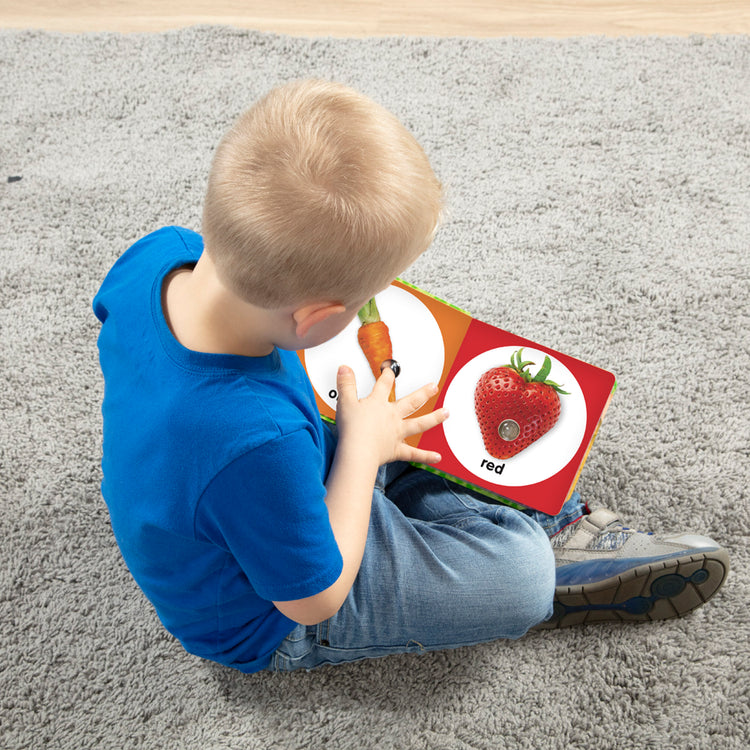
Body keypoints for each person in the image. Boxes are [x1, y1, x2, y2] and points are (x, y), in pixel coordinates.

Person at [93, 79, 729, 674]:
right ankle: (538, 538)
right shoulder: (251, 439)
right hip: (274, 612)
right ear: (317, 317)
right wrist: (363, 455)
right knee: (520, 576)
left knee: (431, 395)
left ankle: (492, 506)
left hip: (270, 479)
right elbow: (313, 600)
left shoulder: (159, 254)